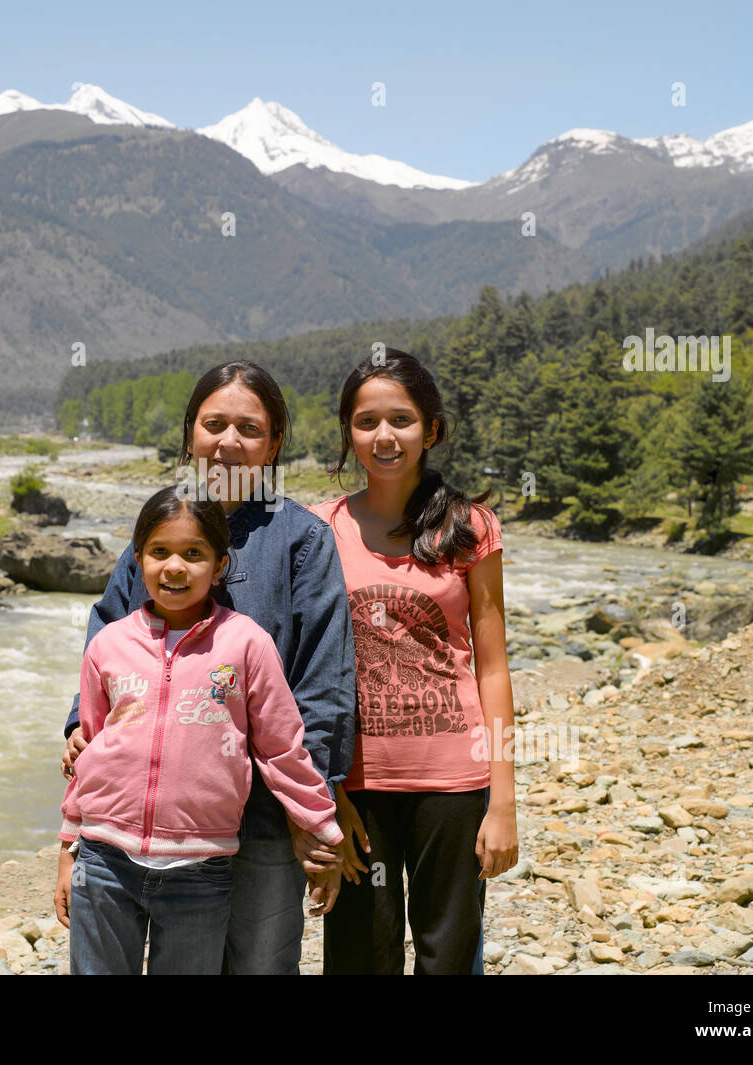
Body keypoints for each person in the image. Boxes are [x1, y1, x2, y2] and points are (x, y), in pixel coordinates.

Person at [60, 361, 356, 974]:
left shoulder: (301, 540)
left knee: (259, 964)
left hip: (267, 817)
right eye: (213, 424)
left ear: (274, 443)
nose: (228, 443)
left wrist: (312, 811)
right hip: (156, 821)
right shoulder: (166, 530)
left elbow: (323, 684)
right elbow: (109, 641)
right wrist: (76, 730)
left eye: (249, 429)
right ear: (190, 434)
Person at [307, 348, 519, 975]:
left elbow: (493, 665)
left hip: (453, 786)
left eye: (401, 419)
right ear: (348, 432)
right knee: (358, 958)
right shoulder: (320, 530)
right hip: (357, 786)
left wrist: (503, 800)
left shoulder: (469, 528)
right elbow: (307, 668)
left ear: (430, 429)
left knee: (446, 956)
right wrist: (325, 792)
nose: (384, 436)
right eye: (366, 421)